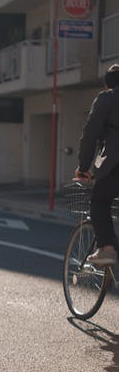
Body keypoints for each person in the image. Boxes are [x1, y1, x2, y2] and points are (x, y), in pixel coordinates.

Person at [75, 63, 119, 266]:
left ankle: (107, 250)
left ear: (108, 84)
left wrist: (83, 167)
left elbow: (90, 134)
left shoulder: (107, 98)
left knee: (100, 202)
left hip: (115, 165)